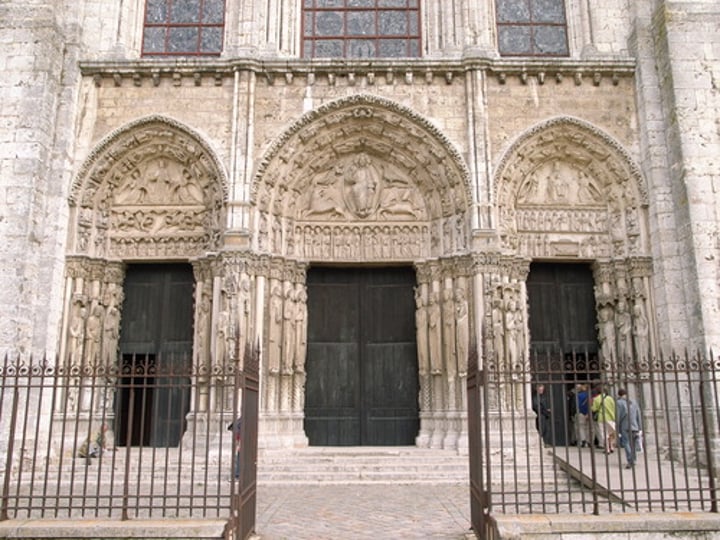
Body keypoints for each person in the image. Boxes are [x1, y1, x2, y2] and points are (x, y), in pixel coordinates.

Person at [616, 388, 643, 469]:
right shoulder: (634, 402)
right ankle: (634, 459)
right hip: (635, 426)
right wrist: (639, 426)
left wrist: (617, 426)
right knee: (633, 444)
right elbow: (638, 414)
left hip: (625, 426)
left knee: (626, 443)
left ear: (619, 395)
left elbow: (618, 415)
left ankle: (630, 460)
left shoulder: (619, 403)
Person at [591, 385, 616, 454]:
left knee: (604, 434)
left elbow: (594, 409)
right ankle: (612, 446)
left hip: (601, 418)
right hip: (611, 417)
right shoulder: (610, 398)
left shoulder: (596, 399)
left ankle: (607, 448)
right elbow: (614, 407)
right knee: (612, 432)